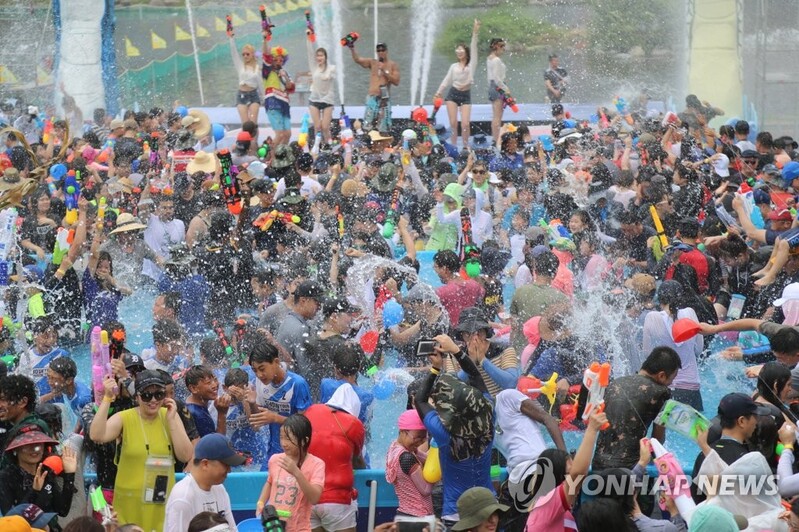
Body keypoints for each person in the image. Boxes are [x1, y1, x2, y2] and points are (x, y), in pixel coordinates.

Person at [89, 370, 193, 531]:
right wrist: (107, 398)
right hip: (130, 503)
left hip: (160, 501)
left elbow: (185, 455)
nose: (153, 400)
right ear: (137, 397)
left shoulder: (169, 416)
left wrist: (172, 420)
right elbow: (96, 435)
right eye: (146, 395)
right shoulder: (125, 418)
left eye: (159, 395)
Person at [592, 347, 681, 470]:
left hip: (598, 465)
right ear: (661, 375)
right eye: (672, 379)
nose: (671, 384)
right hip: (630, 470)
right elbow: (657, 442)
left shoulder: (615, 383)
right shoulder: (661, 392)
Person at [523, 411, 608, 532]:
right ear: (556, 477)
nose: (572, 479)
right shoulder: (547, 505)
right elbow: (577, 476)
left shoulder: (548, 508)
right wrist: (592, 429)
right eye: (568, 474)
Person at [306, 384, 366, 532]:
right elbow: (357, 460)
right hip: (337, 500)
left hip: (308, 496)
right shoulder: (354, 424)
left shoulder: (311, 411)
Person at [246, 334, 312, 459]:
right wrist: (252, 403)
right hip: (273, 451)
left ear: (276, 362)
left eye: (262, 369)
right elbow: (256, 425)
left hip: (296, 453)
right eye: (255, 370)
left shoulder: (297, 384)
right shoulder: (259, 383)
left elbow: (306, 426)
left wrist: (275, 418)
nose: (259, 375)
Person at [256, 413, 325, 531]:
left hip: (300, 527)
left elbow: (314, 498)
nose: (283, 443)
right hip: (274, 525)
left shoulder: (316, 464)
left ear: (304, 441)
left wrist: (296, 472)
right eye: (281, 437)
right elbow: (270, 482)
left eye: (288, 439)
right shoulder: (275, 459)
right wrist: (261, 502)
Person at [163, 433, 244, 532]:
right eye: (226, 465)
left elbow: (232, 529)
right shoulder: (183, 497)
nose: (229, 470)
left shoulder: (219, 488)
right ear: (205, 464)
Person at [642, 281, 703, 410]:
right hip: (691, 386)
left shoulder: (651, 317)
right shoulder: (690, 313)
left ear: (660, 298)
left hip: (665, 385)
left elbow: (647, 354)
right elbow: (699, 349)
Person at [691, 393, 759, 503]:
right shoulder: (747, 460)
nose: (756, 421)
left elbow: (696, 497)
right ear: (741, 421)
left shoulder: (702, 456)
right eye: (754, 416)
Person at [0, 428, 78, 522]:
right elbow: (11, 519)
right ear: (16, 449)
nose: (34, 449)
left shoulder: (46, 472)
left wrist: (69, 475)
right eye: (27, 445)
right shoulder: (6, 476)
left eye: (38, 444)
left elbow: (62, 510)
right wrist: (34, 492)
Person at [434, 19, 480, 147]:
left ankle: (465, 146)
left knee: (465, 123)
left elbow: (474, 47)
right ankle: (453, 146)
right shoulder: (453, 66)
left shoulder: (471, 65)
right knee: (453, 123)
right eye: (457, 50)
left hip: (465, 95)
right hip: (453, 94)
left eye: (461, 50)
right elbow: (446, 80)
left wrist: (475, 32)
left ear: (466, 52)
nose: (459, 52)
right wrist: (438, 92)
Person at [385, 409, 433, 519]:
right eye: (417, 437)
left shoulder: (395, 448)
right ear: (403, 432)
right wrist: (435, 475)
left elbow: (426, 458)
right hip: (417, 517)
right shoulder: (406, 458)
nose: (420, 442)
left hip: (405, 515)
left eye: (424, 439)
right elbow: (426, 489)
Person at [350, 41, 400, 133]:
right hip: (372, 97)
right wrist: (352, 48)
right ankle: (368, 137)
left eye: (382, 50)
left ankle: (383, 136)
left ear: (386, 51)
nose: (380, 52)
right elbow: (358, 60)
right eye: (378, 50)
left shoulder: (392, 65)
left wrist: (384, 70)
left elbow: (396, 82)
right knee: (368, 123)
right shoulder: (372, 62)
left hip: (384, 99)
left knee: (384, 125)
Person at [261, 33, 295, 146]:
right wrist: (265, 39)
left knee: (288, 134)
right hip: (272, 103)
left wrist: (285, 76)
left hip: (284, 105)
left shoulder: (284, 72)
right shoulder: (267, 70)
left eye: (281, 60)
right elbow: (265, 55)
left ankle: (281, 153)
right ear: (272, 59)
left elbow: (290, 88)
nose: (278, 62)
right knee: (279, 134)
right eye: (276, 59)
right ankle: (270, 154)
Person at [306, 40, 336, 143]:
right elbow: (309, 53)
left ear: (325, 57)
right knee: (317, 126)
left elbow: (333, 75)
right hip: (315, 99)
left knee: (325, 127)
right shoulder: (314, 67)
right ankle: (317, 146)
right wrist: (308, 39)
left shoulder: (332, 68)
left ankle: (328, 145)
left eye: (321, 55)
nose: (319, 58)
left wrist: (329, 75)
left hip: (327, 100)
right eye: (317, 56)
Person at [229, 34, 262, 126]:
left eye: (247, 54)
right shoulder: (240, 66)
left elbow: (261, 84)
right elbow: (234, 53)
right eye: (243, 54)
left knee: (253, 124)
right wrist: (231, 39)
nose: (245, 56)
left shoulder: (257, 68)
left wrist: (265, 98)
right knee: (245, 125)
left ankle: (254, 136)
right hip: (241, 95)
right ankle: (246, 136)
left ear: (252, 54)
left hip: (253, 95)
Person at [486, 38, 508, 142]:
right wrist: (506, 89)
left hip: (492, 86)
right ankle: (496, 140)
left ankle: (495, 138)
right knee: (497, 117)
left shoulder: (489, 58)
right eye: (502, 47)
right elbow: (497, 78)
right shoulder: (496, 60)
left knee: (495, 115)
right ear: (497, 47)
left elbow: (490, 77)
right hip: (498, 87)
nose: (503, 50)